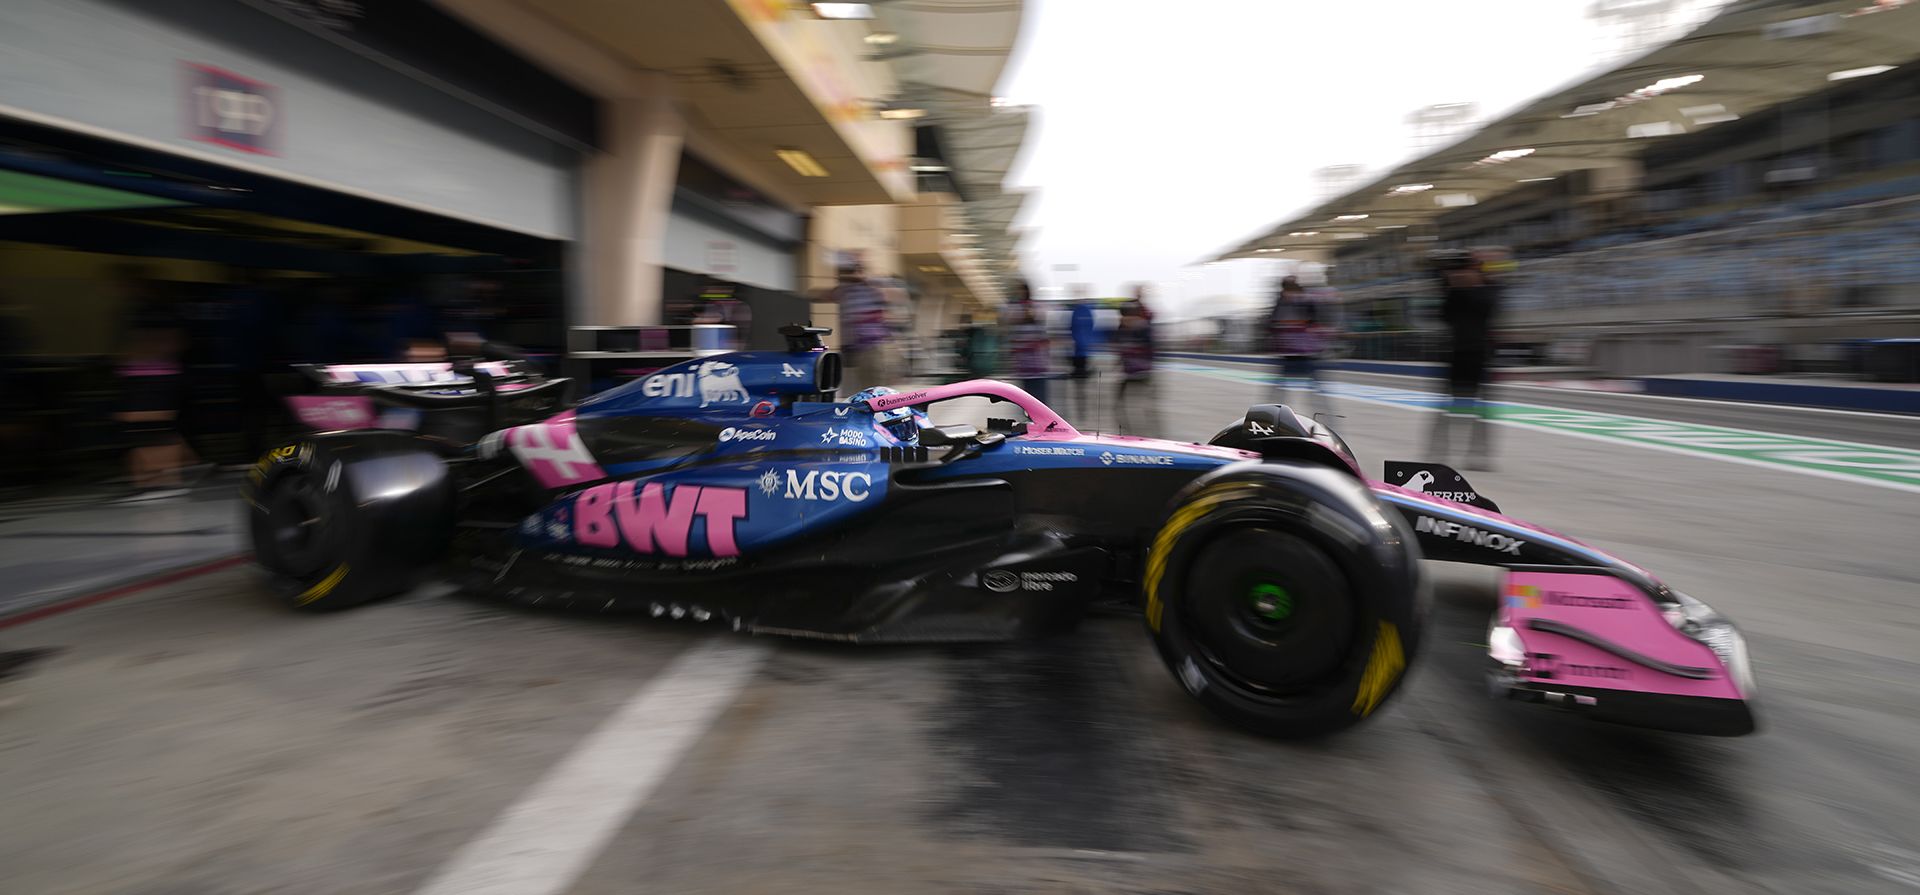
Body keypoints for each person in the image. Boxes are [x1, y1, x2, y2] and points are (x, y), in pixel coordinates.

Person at [1427, 248, 1505, 469]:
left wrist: (1471, 283)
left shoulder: (1488, 291)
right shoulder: (1454, 293)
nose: (1461, 274)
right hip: (1455, 356)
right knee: (1446, 409)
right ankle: (1437, 453)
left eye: (1466, 270)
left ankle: (1479, 455)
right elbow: (1444, 316)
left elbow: (1488, 308)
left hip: (1479, 357)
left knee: (1481, 411)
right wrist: (1450, 285)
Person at [824, 262, 889, 393]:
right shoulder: (844, 291)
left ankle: (873, 407)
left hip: (868, 345)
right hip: (850, 346)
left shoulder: (869, 290)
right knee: (852, 386)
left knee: (871, 386)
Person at [1267, 275, 1329, 413]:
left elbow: (1316, 323)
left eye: (1291, 289)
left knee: (1317, 396)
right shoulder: (1280, 304)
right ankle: (1272, 420)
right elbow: (1271, 326)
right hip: (1288, 356)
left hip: (1306, 355)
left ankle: (1324, 422)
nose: (1289, 293)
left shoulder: (1306, 302)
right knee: (1277, 394)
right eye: (1286, 289)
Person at [1114, 284, 1161, 435]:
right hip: (1129, 372)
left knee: (1146, 406)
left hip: (1142, 371)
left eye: (1126, 317)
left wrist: (1147, 365)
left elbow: (1152, 348)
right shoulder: (1122, 328)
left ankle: (1151, 433)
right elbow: (1121, 347)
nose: (1123, 320)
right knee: (1119, 405)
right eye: (1122, 317)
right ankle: (1129, 432)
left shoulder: (1143, 327)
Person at [1005, 280, 1051, 405]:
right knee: (1026, 400)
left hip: (1037, 366)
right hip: (1024, 366)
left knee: (1039, 401)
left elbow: (1044, 340)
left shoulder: (1036, 310)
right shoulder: (1016, 310)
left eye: (1022, 290)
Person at [1067, 287, 1099, 420]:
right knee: (1081, 385)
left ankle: (1081, 411)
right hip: (1082, 353)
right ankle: (1082, 411)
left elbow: (1072, 330)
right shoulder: (1086, 311)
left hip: (1079, 353)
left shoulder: (1078, 311)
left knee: (1079, 386)